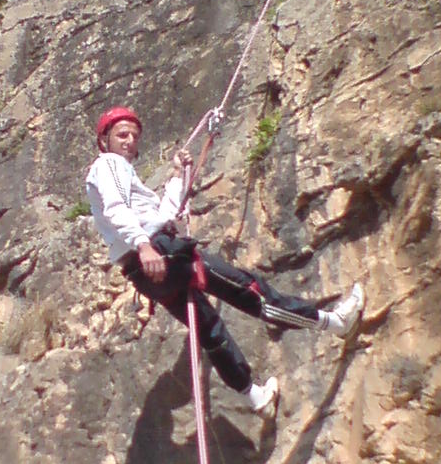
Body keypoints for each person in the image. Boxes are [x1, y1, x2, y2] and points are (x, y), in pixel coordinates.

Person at [85, 105, 365, 415]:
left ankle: (253, 395)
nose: (129, 141)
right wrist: (143, 246)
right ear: (104, 140)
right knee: (248, 290)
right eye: (121, 134)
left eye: (134, 136)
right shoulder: (108, 164)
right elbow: (115, 209)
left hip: (146, 272)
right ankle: (332, 322)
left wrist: (178, 178)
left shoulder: (124, 176)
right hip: (159, 253)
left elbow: (162, 216)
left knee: (209, 328)